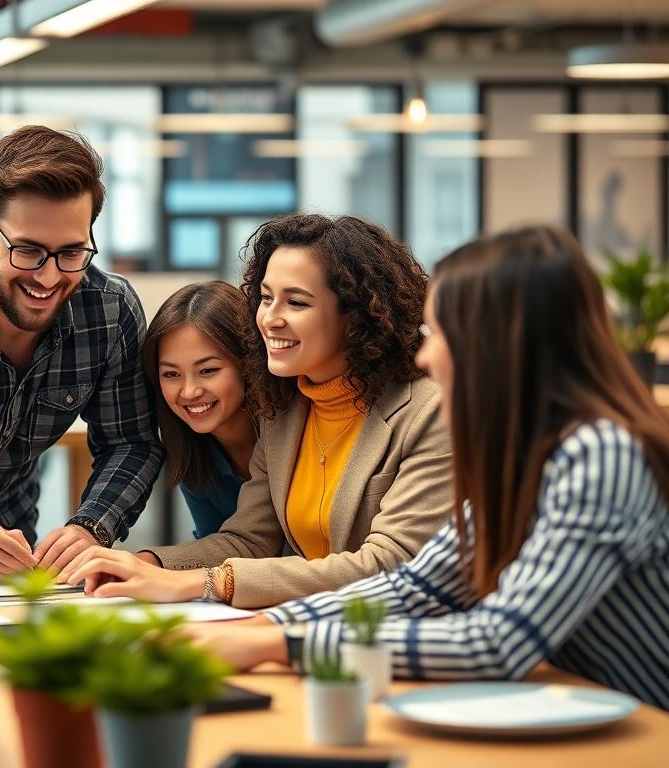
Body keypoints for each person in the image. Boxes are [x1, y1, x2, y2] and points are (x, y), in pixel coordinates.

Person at [181, 225, 669, 710]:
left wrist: (282, 644)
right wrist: (264, 628)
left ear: (500, 345)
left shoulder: (600, 457)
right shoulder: (527, 456)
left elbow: (497, 641)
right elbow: (417, 586)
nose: (426, 354)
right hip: (583, 708)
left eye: (441, 334)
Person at [64, 214, 452, 608]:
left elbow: (393, 565)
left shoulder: (430, 411)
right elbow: (249, 540)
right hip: (314, 625)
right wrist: (143, 564)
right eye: (266, 298)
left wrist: (210, 582)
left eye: (296, 302)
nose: (269, 318)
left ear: (357, 315)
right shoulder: (286, 411)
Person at [0, 126, 163, 579]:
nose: (48, 277)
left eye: (71, 252)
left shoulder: (109, 311)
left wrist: (90, 527)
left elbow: (130, 443)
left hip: (5, 572)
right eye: (28, 251)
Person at [143, 281, 258, 539]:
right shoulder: (192, 453)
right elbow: (215, 548)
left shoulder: (293, 432)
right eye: (171, 374)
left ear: (247, 361)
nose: (189, 391)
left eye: (207, 371)